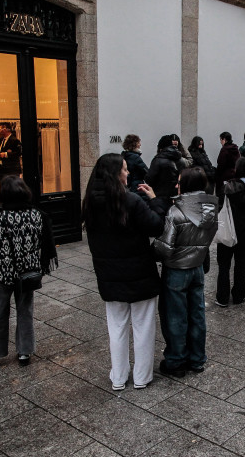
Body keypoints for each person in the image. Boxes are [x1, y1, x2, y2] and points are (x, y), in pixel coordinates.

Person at [82, 153, 168, 390]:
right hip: (140, 272)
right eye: (125, 169)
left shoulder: (90, 201)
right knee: (143, 326)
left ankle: (119, 376)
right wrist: (155, 200)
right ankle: (142, 376)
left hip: (109, 275)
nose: (128, 173)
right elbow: (157, 226)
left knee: (117, 327)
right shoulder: (130, 200)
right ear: (115, 173)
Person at [0, 176, 57, 371]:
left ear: (3, 195)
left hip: (2, 275)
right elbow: (44, 244)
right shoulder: (36, 215)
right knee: (26, 312)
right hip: (28, 275)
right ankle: (24, 352)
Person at [154, 167, 218, 377]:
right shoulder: (210, 209)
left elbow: (164, 247)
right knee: (197, 315)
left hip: (176, 271)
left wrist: (150, 250)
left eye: (179, 181)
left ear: (187, 185)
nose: (176, 185)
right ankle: (197, 359)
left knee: (175, 317)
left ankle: (176, 361)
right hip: (197, 268)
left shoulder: (176, 212)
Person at [215, 158, 245, 307]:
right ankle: (239, 295)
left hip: (228, 230)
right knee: (241, 265)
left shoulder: (229, 186)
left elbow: (219, 205)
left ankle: (222, 297)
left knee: (224, 265)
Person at [147, 135, 183, 205]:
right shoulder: (180, 160)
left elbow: (149, 179)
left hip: (159, 196)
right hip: (175, 196)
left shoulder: (158, 160)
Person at [215, 131, 240, 205]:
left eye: (221, 140)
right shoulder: (235, 149)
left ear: (224, 139)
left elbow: (221, 164)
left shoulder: (225, 150)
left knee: (222, 198)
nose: (220, 142)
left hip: (224, 177)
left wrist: (217, 176)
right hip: (233, 176)